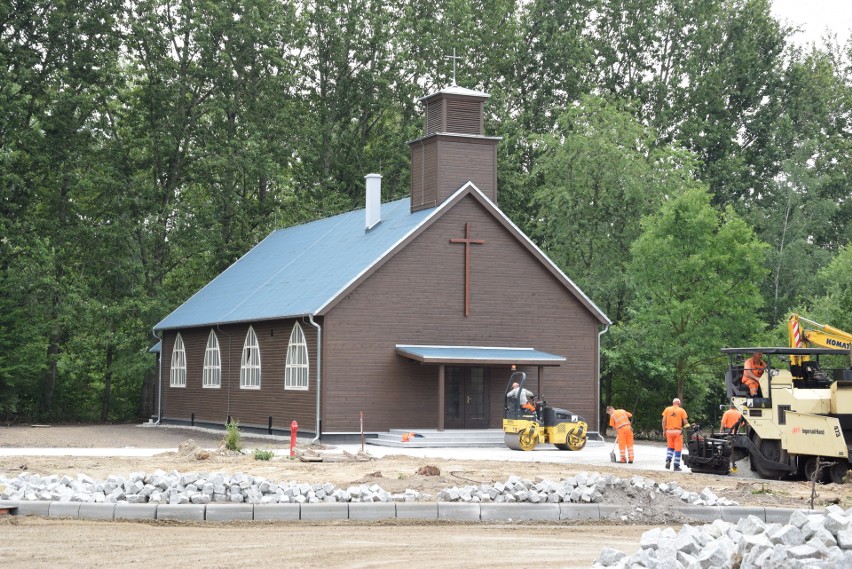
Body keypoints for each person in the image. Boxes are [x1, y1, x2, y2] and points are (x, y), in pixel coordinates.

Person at [661, 398, 690, 471]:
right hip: (677, 432)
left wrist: (664, 431)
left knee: (670, 448)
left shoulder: (667, 409)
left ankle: (668, 460)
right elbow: (685, 421)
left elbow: (664, 420)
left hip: (669, 432)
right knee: (678, 449)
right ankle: (676, 466)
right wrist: (688, 427)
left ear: (673, 403)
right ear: (679, 403)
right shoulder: (681, 410)